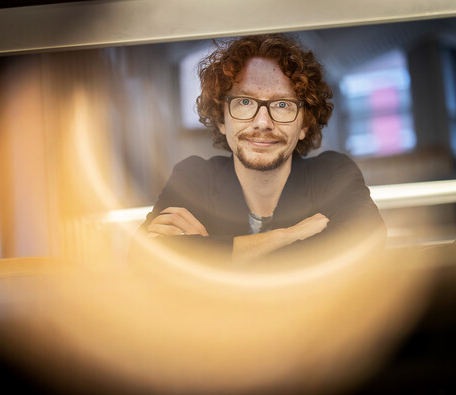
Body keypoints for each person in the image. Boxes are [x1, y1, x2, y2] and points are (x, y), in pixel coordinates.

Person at [140, 34, 385, 265]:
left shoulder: (333, 172)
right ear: (222, 120)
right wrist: (287, 236)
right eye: (245, 102)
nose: (263, 123)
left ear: (304, 125)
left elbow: (365, 243)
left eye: (282, 104)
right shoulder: (194, 177)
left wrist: (209, 255)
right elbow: (145, 261)